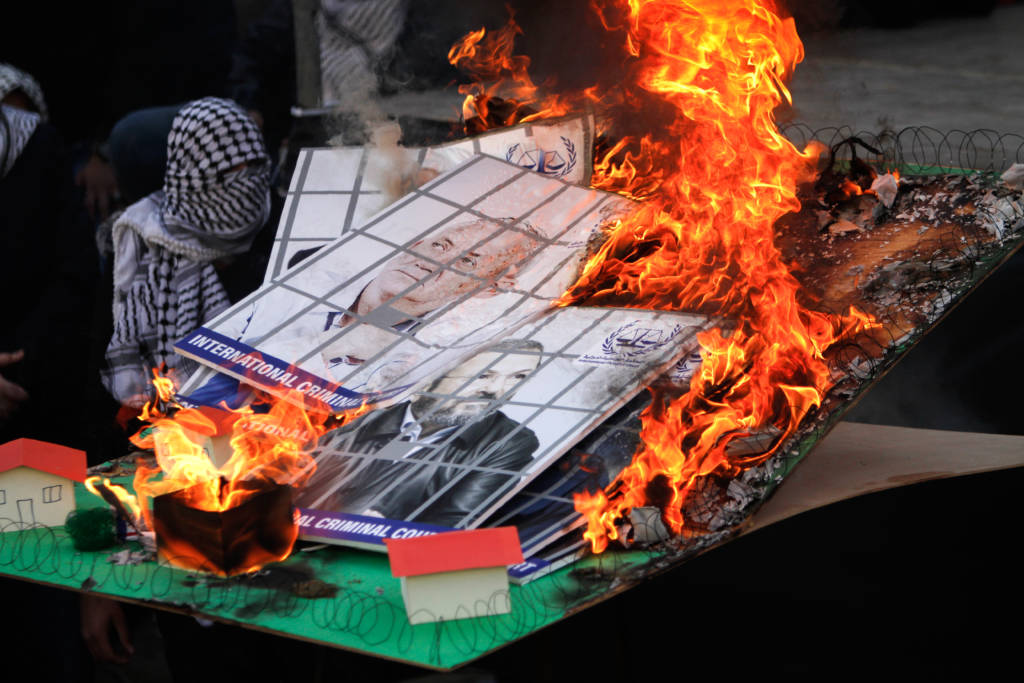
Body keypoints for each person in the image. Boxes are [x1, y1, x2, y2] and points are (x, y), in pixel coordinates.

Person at [102, 97, 271, 407]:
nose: (246, 179)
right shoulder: (142, 244)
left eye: (254, 164)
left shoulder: (277, 226)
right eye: (230, 169)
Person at [295, 338, 543, 527]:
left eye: (518, 377)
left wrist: (384, 529)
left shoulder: (508, 441)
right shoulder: (364, 416)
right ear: (430, 376)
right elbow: (299, 478)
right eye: (484, 375)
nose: (496, 390)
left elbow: (457, 520)